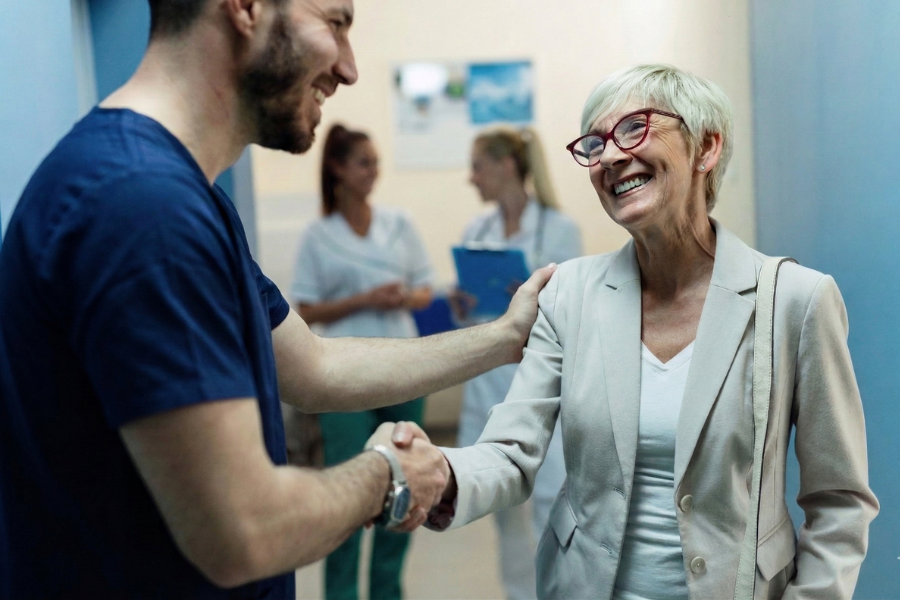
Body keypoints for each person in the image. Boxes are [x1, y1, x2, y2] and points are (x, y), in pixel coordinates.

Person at [0, 1, 556, 599]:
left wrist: (504, 338)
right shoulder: (142, 207)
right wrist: (388, 475)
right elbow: (247, 530)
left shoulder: (187, 196)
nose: (349, 69)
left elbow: (314, 366)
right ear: (245, 8)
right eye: (336, 24)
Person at [422, 64, 879, 600]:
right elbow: (510, 453)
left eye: (635, 128)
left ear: (706, 148)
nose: (611, 156)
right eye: (594, 144)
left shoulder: (795, 300)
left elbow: (839, 501)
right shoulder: (569, 294)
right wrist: (439, 471)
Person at [290, 123, 433, 600]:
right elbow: (304, 309)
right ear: (338, 169)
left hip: (404, 370)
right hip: (343, 374)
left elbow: (425, 290)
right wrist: (362, 300)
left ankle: (387, 592)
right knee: (346, 498)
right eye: (364, 162)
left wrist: (404, 298)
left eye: (376, 161)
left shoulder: (399, 223)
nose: (374, 171)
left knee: (406, 491)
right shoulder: (318, 234)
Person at [454, 127, 582, 600]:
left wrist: (530, 298)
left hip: (541, 379)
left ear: (507, 166)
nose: (473, 179)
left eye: (478, 166)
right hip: (490, 379)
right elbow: (466, 311)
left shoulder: (558, 228)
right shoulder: (476, 231)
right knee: (502, 501)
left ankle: (559, 591)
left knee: (551, 497)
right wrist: (464, 303)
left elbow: (575, 307)